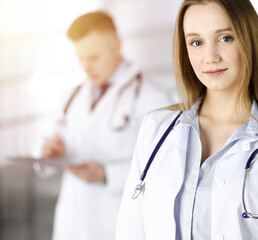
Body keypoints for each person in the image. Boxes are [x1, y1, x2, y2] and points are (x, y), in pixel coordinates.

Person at [116, 0, 258, 240]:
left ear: (249, 39)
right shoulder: (156, 130)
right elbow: (130, 231)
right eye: (196, 42)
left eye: (225, 38)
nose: (210, 57)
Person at [36, 11, 171, 240]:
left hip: (115, 225)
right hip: (71, 226)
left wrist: (107, 174)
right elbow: (47, 140)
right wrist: (48, 151)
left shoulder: (153, 98)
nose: (86, 67)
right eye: (81, 58)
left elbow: (166, 169)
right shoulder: (71, 96)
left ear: (116, 46)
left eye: (93, 57)